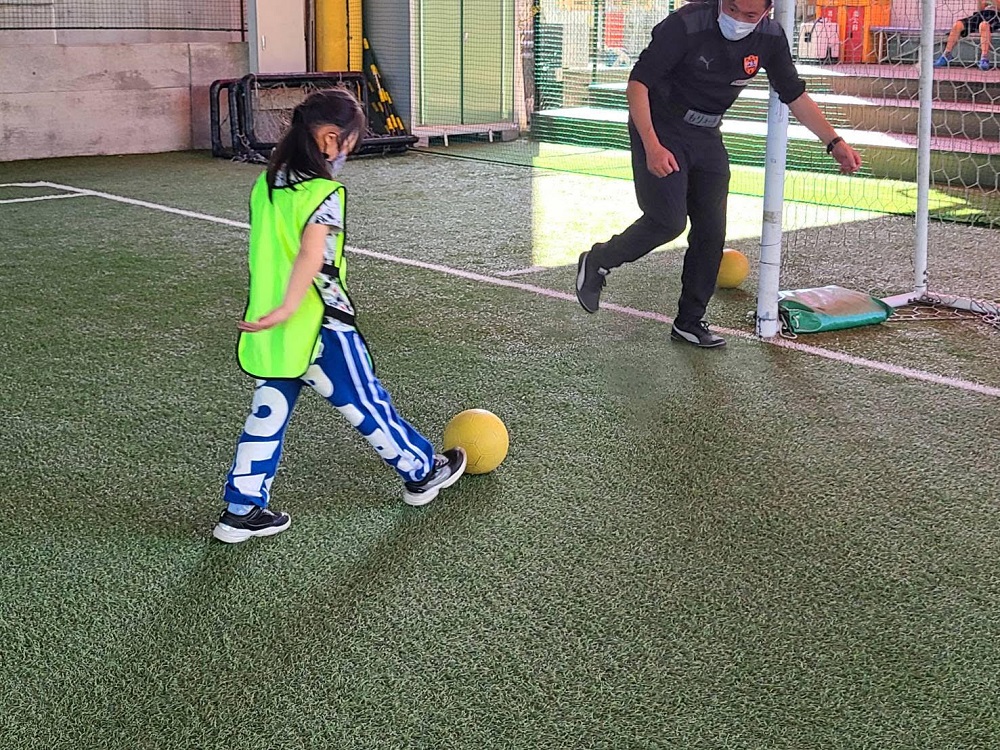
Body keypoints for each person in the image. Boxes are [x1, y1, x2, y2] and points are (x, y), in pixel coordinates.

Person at [213, 88, 466, 544]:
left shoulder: (267, 185)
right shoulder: (323, 193)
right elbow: (311, 255)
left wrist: (279, 311)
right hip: (320, 323)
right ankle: (421, 472)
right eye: (351, 140)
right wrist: (293, 306)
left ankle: (241, 511)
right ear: (330, 139)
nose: (351, 149)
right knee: (366, 402)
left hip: (272, 328)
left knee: (267, 415)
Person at [575, 0, 862, 348]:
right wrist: (652, 145)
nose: (738, 19)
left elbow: (794, 94)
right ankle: (599, 260)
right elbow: (638, 84)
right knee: (668, 221)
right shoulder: (687, 24)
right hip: (662, 127)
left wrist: (834, 142)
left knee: (712, 231)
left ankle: (689, 322)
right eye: (733, 9)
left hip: (708, 134)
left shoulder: (770, 38)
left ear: (766, 13)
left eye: (750, 15)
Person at [934, 0, 998, 72]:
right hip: (983, 14)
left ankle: (984, 58)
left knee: (984, 25)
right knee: (957, 25)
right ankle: (946, 55)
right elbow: (980, 9)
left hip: (997, 16)